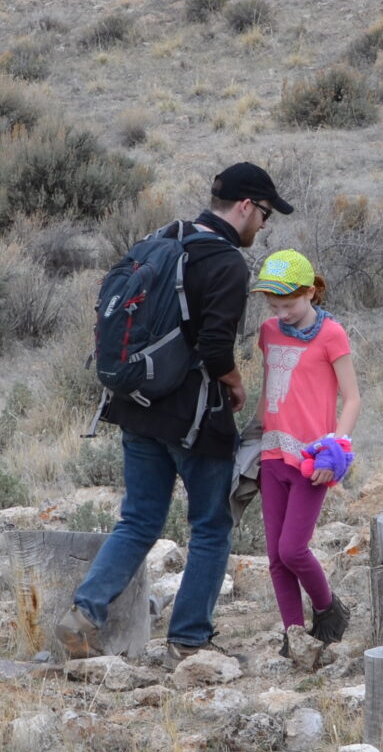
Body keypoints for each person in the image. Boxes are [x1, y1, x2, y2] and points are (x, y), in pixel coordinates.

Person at [55, 162, 291, 660]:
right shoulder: (226, 263)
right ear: (245, 206)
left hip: (137, 406)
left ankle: (84, 613)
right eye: (265, 214)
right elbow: (215, 347)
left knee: (139, 520)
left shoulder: (163, 238)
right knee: (211, 526)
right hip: (194, 418)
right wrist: (235, 382)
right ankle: (189, 638)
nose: (264, 225)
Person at [249, 248, 358, 669]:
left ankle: (329, 610)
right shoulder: (268, 332)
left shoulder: (332, 334)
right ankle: (294, 635)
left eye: (289, 305)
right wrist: (250, 435)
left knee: (293, 549)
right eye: (274, 306)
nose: (281, 314)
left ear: (310, 292)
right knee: (276, 557)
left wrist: (337, 450)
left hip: (313, 460)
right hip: (272, 454)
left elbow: (352, 398)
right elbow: (269, 389)